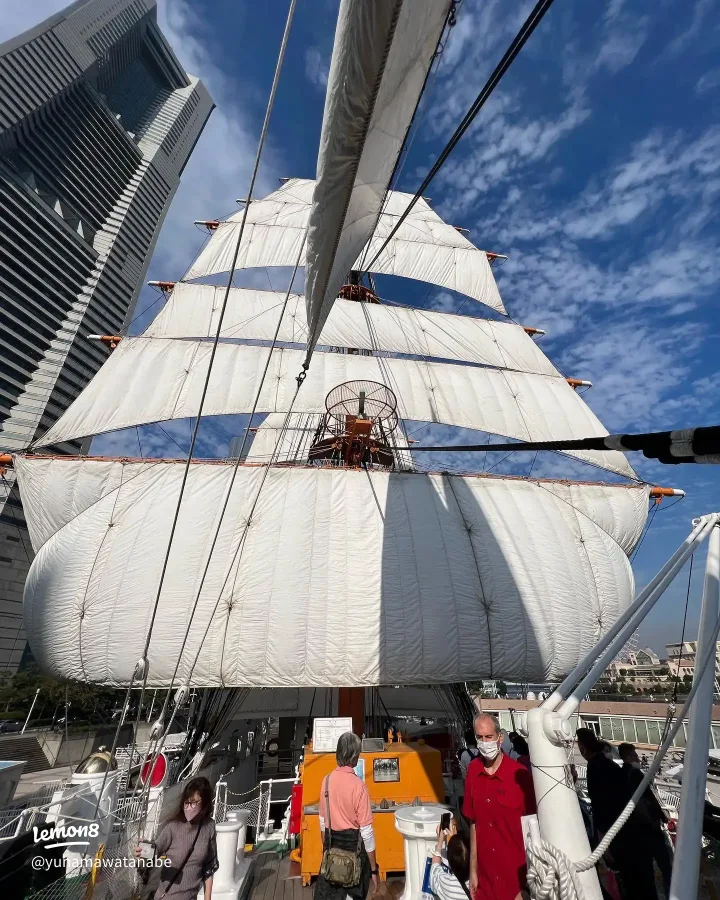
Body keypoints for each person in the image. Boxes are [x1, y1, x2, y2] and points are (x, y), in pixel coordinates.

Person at [575, 729, 657, 900]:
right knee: (644, 883)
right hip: (634, 832)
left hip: (621, 836)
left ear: (583, 748)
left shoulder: (595, 767)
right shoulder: (609, 765)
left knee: (632, 883)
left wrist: (604, 840)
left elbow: (601, 806)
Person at [462, 713, 536, 900]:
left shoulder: (520, 775)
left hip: (515, 879)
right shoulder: (473, 771)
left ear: (500, 738)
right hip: (485, 879)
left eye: (489, 737)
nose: (484, 742)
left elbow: (534, 830)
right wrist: (473, 870)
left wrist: (529, 884)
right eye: (480, 737)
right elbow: (474, 823)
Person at [316, 732, 378, 900]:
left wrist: (327, 851)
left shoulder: (326, 781)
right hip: (354, 857)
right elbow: (367, 832)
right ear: (354, 756)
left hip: (331, 854)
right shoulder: (360, 787)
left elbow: (322, 822)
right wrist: (374, 869)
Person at [136, 776, 218, 900]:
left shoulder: (209, 827)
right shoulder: (173, 827)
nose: (190, 807)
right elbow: (157, 849)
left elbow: (209, 866)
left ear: (205, 804)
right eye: (187, 802)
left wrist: (208, 898)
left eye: (195, 802)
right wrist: (144, 851)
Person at [618, 742, 672, 898]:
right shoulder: (635, 774)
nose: (637, 758)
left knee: (648, 868)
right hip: (649, 827)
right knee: (665, 865)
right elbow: (647, 799)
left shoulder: (622, 774)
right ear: (628, 756)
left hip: (637, 829)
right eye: (634, 755)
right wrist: (660, 817)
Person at [430, 819, 471, 900]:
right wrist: (455, 839)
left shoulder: (447, 883)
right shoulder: (477, 883)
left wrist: (440, 842)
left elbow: (434, 869)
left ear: (449, 860)